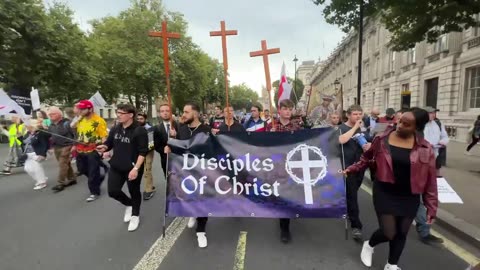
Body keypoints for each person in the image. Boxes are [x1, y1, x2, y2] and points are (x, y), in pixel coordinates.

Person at [345, 107, 438, 270]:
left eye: (406, 124)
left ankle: (391, 264)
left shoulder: (426, 148)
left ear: (417, 128)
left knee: (402, 232)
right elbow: (366, 159)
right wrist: (351, 169)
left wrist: (432, 207)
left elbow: (430, 180)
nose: (400, 125)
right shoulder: (382, 139)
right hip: (385, 191)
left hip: (410, 195)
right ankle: (369, 244)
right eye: (400, 121)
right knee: (389, 232)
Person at [97, 104, 148, 232]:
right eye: (117, 112)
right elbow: (109, 144)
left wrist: (136, 169)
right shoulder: (115, 128)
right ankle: (129, 204)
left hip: (133, 168)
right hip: (116, 166)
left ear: (130, 115)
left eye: (121, 113)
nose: (118, 115)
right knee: (113, 191)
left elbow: (143, 152)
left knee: (134, 191)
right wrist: (104, 147)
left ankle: (135, 215)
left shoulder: (139, 130)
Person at [172, 102, 211, 248]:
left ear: (194, 114)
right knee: (187, 196)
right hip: (184, 171)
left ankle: (201, 231)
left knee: (202, 200)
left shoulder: (205, 130)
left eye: (186, 112)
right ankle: (192, 213)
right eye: (183, 111)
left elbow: (211, 150)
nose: (183, 114)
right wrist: (170, 146)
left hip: (201, 171)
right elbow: (178, 148)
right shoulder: (181, 129)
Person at [266, 99, 302, 243]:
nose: (288, 111)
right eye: (285, 109)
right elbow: (262, 146)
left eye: (290, 109)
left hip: (292, 167)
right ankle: (283, 223)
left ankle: (285, 223)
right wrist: (270, 135)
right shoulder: (271, 126)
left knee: (289, 196)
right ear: (279, 110)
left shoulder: (297, 127)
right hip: (277, 167)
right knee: (280, 196)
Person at [415, 106, 448, 244]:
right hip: (418, 165)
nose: (433, 115)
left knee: (429, 196)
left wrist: (442, 142)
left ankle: (424, 228)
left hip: (432, 161)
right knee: (417, 199)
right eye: (430, 113)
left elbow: (445, 137)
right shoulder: (417, 128)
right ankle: (423, 230)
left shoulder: (438, 124)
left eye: (434, 113)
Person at [338, 104, 371, 241]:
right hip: (347, 167)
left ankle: (347, 209)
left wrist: (368, 146)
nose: (358, 117)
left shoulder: (363, 129)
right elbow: (341, 140)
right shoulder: (341, 128)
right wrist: (355, 128)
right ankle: (356, 225)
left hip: (360, 166)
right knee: (352, 195)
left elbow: (366, 145)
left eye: (360, 114)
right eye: (355, 114)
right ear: (348, 115)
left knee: (352, 192)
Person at [74, 100, 108, 202]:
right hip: (80, 149)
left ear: (90, 109)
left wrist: (105, 149)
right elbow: (72, 127)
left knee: (93, 172)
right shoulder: (80, 119)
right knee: (82, 169)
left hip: (93, 149)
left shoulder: (98, 121)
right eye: (80, 109)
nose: (80, 111)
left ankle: (94, 192)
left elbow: (104, 136)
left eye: (83, 109)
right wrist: (78, 118)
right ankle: (98, 177)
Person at [48, 106, 77, 192]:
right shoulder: (51, 125)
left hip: (67, 146)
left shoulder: (67, 123)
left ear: (59, 114)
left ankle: (60, 183)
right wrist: (50, 147)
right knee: (66, 164)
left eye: (52, 114)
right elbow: (51, 136)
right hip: (57, 147)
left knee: (62, 164)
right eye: (49, 114)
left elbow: (75, 134)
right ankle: (72, 179)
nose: (50, 116)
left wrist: (75, 145)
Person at [23, 119, 51, 190]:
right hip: (28, 153)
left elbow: (46, 139)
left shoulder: (40, 133)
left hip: (37, 153)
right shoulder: (27, 133)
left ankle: (42, 182)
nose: (26, 126)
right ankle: (42, 178)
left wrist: (42, 154)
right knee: (27, 168)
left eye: (27, 125)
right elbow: (24, 141)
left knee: (36, 167)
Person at [153, 104, 179, 178]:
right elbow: (156, 145)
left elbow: (185, 141)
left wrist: (176, 136)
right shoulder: (157, 128)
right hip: (165, 160)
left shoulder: (179, 126)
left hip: (179, 160)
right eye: (162, 111)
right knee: (169, 181)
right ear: (159, 113)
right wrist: (163, 149)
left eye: (167, 111)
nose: (165, 113)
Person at [136, 112, 156, 200]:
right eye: (138, 119)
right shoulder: (135, 128)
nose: (139, 121)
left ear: (145, 119)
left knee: (147, 170)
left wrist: (144, 152)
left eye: (141, 119)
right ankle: (150, 185)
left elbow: (151, 144)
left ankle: (148, 190)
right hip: (138, 152)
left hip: (148, 152)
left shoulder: (149, 129)